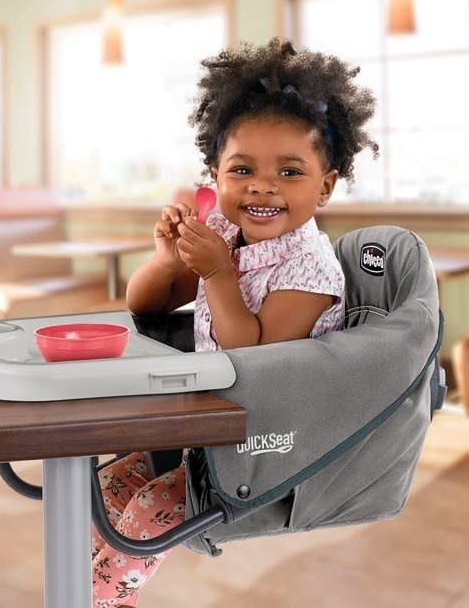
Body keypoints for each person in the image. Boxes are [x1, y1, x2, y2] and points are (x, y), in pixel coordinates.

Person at [91, 37, 378, 607]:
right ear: (214, 179)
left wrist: (218, 277)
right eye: (241, 168)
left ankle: (97, 600)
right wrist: (168, 258)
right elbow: (144, 305)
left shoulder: (311, 267)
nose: (261, 185)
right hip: (205, 428)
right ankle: (81, 591)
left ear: (325, 186)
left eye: (289, 171)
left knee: (145, 514)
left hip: (266, 444)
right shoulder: (222, 233)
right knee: (101, 491)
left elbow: (254, 361)